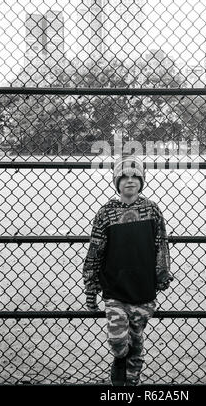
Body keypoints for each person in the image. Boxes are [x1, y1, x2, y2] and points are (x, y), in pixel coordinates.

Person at [83, 154, 173, 386]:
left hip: (143, 288)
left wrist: (161, 275)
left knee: (136, 338)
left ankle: (127, 384)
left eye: (135, 177)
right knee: (118, 340)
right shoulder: (106, 212)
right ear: (117, 182)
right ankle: (120, 360)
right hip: (114, 289)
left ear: (142, 181)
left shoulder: (152, 210)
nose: (130, 181)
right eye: (124, 177)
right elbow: (95, 251)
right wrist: (90, 289)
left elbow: (161, 245)